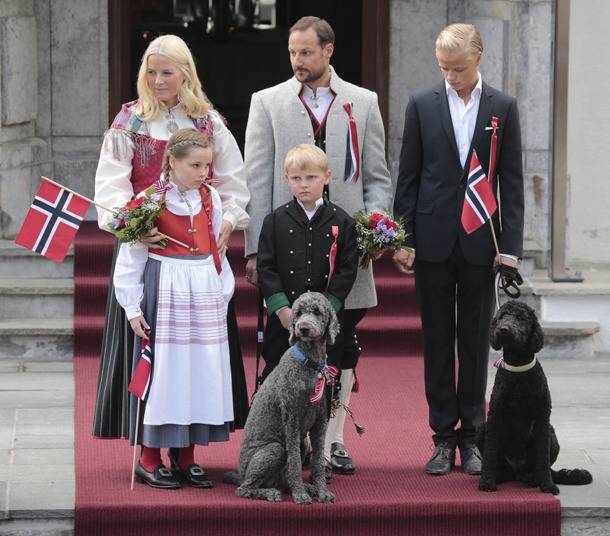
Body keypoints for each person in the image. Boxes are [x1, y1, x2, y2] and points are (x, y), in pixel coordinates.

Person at [244, 16, 393, 477]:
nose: (297, 61)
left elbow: (376, 177)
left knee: (343, 349)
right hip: (287, 251)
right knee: (281, 351)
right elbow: (257, 176)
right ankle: (286, 444)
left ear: (328, 51)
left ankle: (333, 440)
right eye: (292, 53)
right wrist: (253, 249)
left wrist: (376, 231)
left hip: (344, 251)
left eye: (306, 52)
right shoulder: (267, 102)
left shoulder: (362, 102)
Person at [92, 35, 250, 439]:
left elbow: (233, 182)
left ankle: (192, 437)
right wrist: (135, 226)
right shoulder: (129, 122)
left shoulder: (208, 123)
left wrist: (228, 221)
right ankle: (146, 439)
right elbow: (110, 189)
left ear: (186, 74)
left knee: (197, 354)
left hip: (198, 256)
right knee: (152, 347)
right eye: (151, 71)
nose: (158, 80)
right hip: (147, 254)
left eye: (167, 72)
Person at [393, 23, 524, 476]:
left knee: (473, 342)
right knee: (436, 342)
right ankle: (441, 437)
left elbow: (512, 181)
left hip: (479, 241)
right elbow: (407, 176)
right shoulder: (421, 104)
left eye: (459, 68)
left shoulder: (502, 107)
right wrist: (402, 237)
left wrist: (510, 249)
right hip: (431, 239)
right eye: (444, 67)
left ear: (479, 59)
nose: (450, 75)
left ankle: (472, 437)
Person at [114, 128, 234, 488]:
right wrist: (133, 308)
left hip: (203, 293)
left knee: (200, 370)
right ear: (172, 162)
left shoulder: (210, 197)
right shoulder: (150, 200)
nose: (203, 172)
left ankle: (187, 454)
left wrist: (221, 290)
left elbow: (216, 248)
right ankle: (149, 457)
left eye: (207, 165)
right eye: (195, 165)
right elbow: (131, 258)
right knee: (167, 373)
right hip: (167, 289)